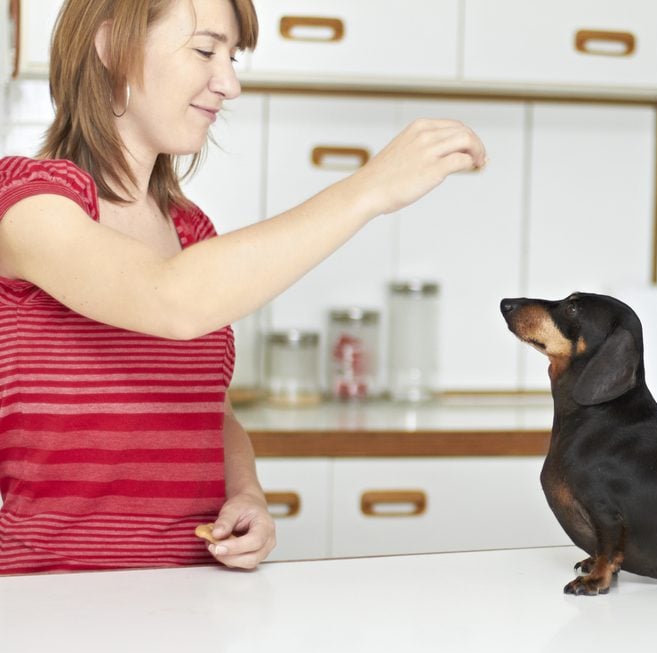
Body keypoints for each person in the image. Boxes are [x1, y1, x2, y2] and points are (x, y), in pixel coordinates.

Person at [0, 0, 486, 575]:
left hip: (193, 592)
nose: (228, 82)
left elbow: (211, 406)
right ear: (113, 48)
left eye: (232, 57)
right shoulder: (29, 203)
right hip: (50, 601)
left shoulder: (188, 228)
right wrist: (368, 189)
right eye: (206, 50)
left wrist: (247, 492)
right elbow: (170, 300)